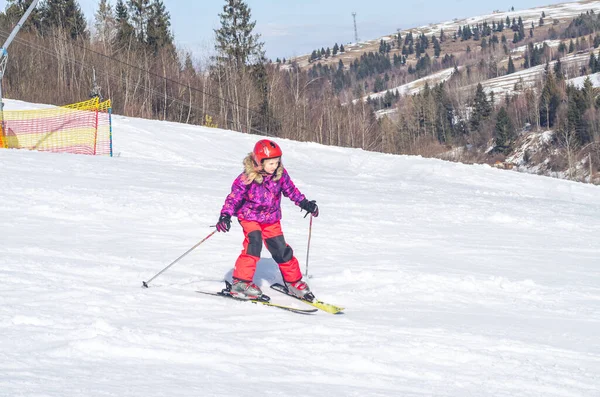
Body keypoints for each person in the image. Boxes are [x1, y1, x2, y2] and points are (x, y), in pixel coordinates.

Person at [215, 139, 319, 300]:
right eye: (271, 163)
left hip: (271, 218)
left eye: (277, 162)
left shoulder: (280, 174)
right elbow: (233, 198)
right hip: (250, 217)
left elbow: (291, 190)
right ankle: (241, 283)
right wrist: (225, 215)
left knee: (281, 249)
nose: (275, 166)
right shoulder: (247, 178)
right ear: (258, 162)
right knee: (253, 243)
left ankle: (294, 282)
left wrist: (305, 203)